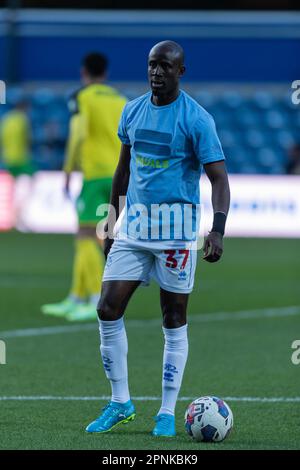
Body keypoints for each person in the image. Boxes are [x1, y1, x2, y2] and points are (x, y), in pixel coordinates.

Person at [85, 41, 230, 437]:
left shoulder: (196, 120)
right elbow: (122, 170)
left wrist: (216, 229)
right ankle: (120, 402)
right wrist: (111, 221)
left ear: (180, 71)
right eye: (152, 65)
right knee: (107, 308)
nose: (156, 72)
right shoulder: (131, 110)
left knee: (173, 319)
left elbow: (219, 179)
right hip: (133, 229)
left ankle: (166, 411)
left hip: (176, 235)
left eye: (165, 66)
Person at [41, 53, 127, 321]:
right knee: (97, 237)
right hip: (119, 176)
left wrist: (68, 170)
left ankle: (94, 298)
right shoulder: (121, 100)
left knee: (86, 236)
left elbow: (78, 133)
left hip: (94, 176)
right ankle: (76, 297)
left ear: (83, 72)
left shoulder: (82, 96)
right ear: (106, 73)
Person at [0, 98, 33, 177]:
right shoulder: (22, 119)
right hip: (21, 158)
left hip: (7, 157)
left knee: (13, 179)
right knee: (32, 175)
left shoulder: (6, 118)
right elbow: (27, 139)